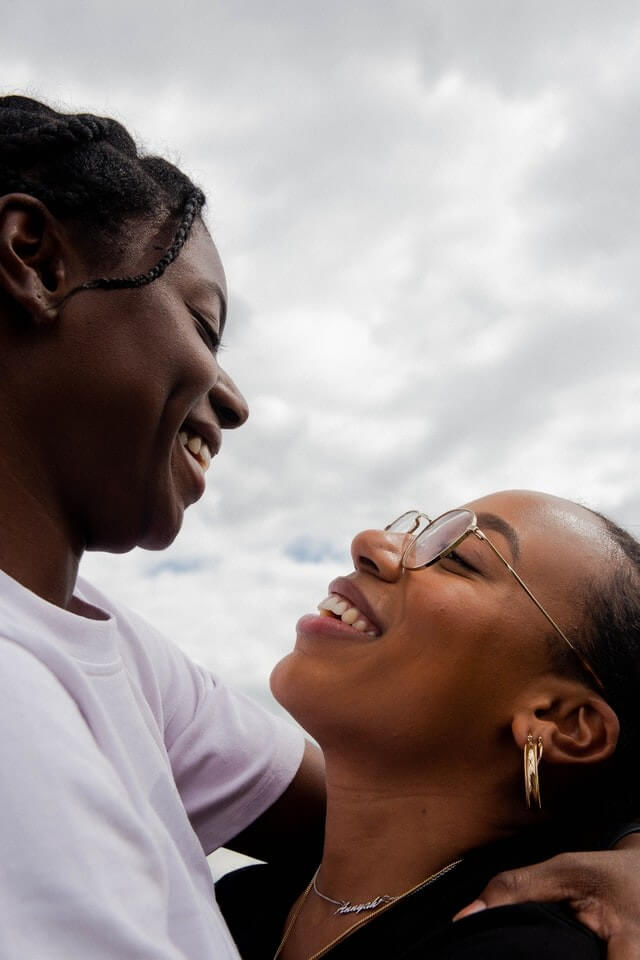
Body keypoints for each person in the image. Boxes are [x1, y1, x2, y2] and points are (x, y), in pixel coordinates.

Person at [0, 95, 325, 959]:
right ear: (33, 260)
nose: (234, 400)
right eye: (203, 326)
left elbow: (382, 823)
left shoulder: (105, 646)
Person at [216, 491, 640, 959]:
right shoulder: (233, 903)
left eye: (458, 558)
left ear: (560, 721)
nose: (371, 542)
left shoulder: (523, 946)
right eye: (420, 533)